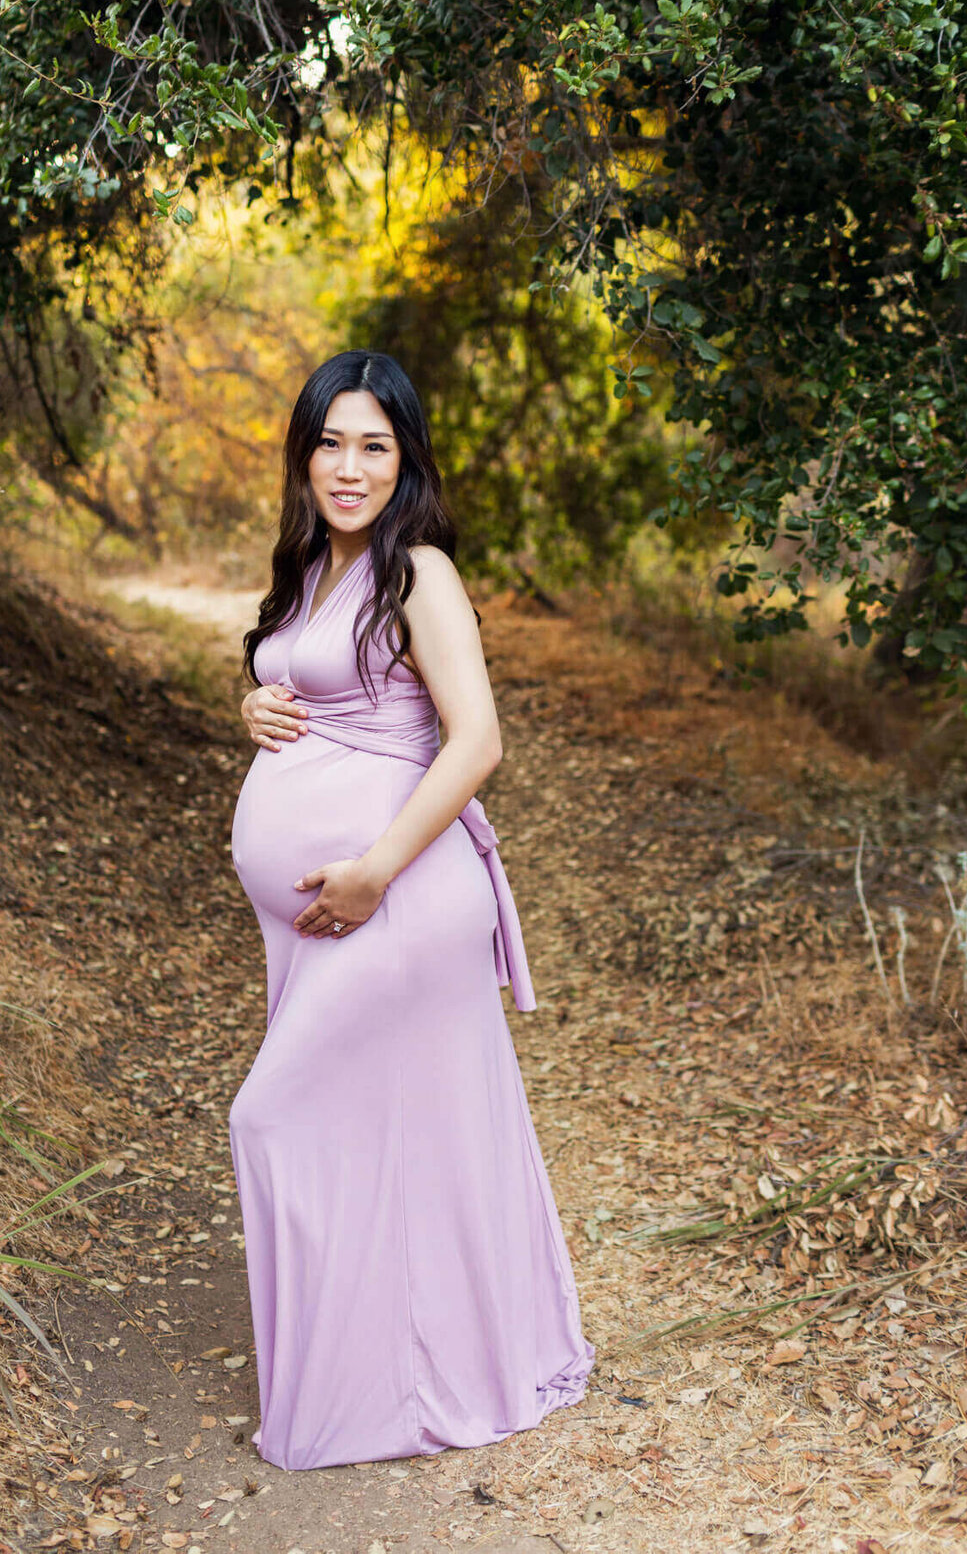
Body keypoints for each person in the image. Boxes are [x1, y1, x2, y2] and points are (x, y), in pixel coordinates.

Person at [228, 349, 594, 1471]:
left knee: (273, 1118)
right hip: (327, 911)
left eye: (373, 445)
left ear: (406, 461)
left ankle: (376, 1387)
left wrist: (375, 869)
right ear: (304, 453)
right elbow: (317, 689)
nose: (349, 466)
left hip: (398, 899)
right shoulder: (312, 567)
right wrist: (253, 704)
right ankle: (400, 1363)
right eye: (330, 442)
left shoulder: (419, 571)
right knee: (386, 1133)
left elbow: (475, 738)